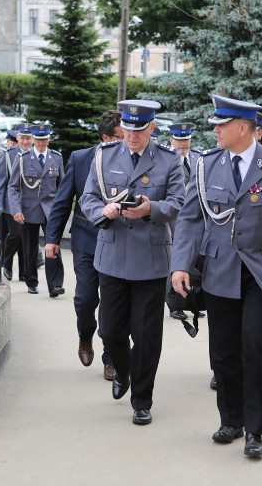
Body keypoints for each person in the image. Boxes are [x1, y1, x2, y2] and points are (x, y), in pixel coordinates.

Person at [171, 95, 262, 458]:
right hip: (219, 270)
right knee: (224, 350)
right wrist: (180, 265)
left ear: (243, 128)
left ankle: (256, 430)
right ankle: (231, 420)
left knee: (254, 346)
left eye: (222, 124)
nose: (215, 130)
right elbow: (189, 218)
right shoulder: (207, 165)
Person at [79, 99, 184, 426]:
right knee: (110, 330)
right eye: (128, 129)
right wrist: (102, 212)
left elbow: (180, 203)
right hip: (112, 255)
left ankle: (142, 399)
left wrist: (151, 208)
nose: (133, 136)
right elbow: (88, 198)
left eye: (140, 130)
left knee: (147, 334)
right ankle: (122, 372)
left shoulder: (169, 160)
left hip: (150, 259)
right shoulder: (105, 156)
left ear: (151, 128)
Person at [44, 110, 123, 381]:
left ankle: (111, 358)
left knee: (113, 304)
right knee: (86, 298)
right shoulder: (80, 158)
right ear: (106, 138)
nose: (129, 141)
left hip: (118, 241)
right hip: (86, 239)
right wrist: (52, 239)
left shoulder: (134, 160)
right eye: (122, 137)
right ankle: (85, 336)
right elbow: (63, 201)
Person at [8, 123, 65, 297]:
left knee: (53, 246)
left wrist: (62, 209)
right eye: (38, 140)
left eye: (44, 139)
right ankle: (31, 281)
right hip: (29, 209)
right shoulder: (23, 158)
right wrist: (16, 209)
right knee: (30, 248)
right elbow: (13, 187)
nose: (41, 143)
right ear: (33, 140)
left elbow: (62, 186)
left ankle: (55, 285)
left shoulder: (56, 158)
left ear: (49, 139)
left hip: (51, 210)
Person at [167, 122, 202, 322]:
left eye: (185, 139)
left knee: (196, 261)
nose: (182, 143)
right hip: (173, 217)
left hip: (195, 218)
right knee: (175, 260)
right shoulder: (167, 159)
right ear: (171, 139)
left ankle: (194, 300)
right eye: (178, 139)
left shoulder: (198, 157)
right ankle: (175, 305)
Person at [0, 125, 27, 281]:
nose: (25, 141)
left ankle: (22, 272)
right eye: (22, 137)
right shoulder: (7, 155)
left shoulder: (34, 154)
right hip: (9, 205)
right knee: (16, 234)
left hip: (29, 204)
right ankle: (6, 263)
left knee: (23, 238)